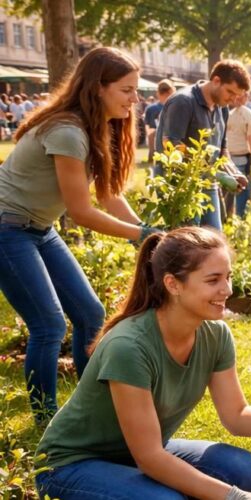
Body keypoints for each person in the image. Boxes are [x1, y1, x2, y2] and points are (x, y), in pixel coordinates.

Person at [34, 227, 251, 499]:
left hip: (136, 453)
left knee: (245, 470)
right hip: (71, 465)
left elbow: (236, 415)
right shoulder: (129, 347)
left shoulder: (215, 335)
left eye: (228, 276)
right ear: (173, 284)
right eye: (213, 280)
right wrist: (233, 497)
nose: (227, 290)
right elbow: (149, 458)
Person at [0, 48, 160, 424]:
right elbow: (82, 211)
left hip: (39, 228)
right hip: (7, 228)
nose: (135, 99)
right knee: (49, 324)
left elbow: (107, 194)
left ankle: (89, 410)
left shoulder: (97, 127)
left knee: (90, 313)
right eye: (127, 90)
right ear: (98, 88)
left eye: (136, 90)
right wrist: (140, 233)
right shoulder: (68, 131)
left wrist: (147, 234)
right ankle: (46, 420)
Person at [155, 60, 251, 231]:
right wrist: (218, 175)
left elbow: (222, 149)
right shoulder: (183, 102)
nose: (232, 99)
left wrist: (233, 172)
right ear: (216, 81)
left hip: (208, 183)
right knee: (188, 242)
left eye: (236, 95)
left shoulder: (222, 108)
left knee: (214, 239)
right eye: (230, 92)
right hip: (180, 184)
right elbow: (171, 145)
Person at [223, 91, 251, 219]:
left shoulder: (230, 113)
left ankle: (227, 217)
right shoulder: (247, 114)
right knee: (242, 191)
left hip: (230, 157)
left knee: (228, 191)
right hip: (240, 157)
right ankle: (239, 219)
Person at [144, 80, 174, 164]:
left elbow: (148, 127)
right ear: (169, 92)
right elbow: (150, 129)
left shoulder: (151, 108)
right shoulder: (152, 108)